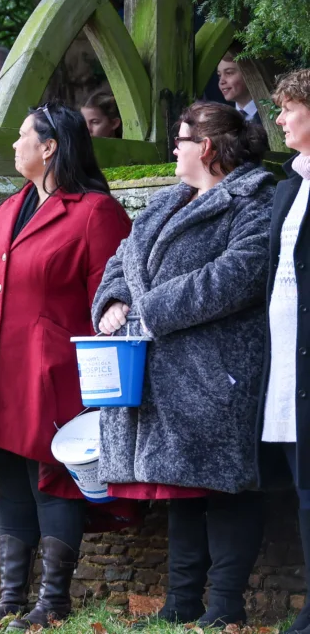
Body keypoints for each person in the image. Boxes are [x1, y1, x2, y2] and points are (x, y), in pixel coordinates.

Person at [0, 102, 133, 629]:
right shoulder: (10, 206)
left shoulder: (94, 212)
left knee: (53, 478)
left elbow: (110, 300)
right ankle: (12, 600)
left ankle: (54, 602)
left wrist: (100, 384)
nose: (14, 146)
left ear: (50, 146)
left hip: (56, 372)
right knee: (12, 478)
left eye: (22, 137)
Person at [94, 102, 273, 626]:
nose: (174, 148)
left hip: (218, 371)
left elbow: (240, 272)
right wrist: (112, 303)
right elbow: (119, 261)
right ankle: (179, 606)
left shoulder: (253, 200)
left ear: (208, 147)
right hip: (159, 371)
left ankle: (224, 609)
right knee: (182, 492)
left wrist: (149, 310)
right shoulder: (163, 204)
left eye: (182, 139)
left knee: (226, 488)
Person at [256, 68, 310, 634]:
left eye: (290, 108)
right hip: (288, 360)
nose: (280, 119)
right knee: (304, 488)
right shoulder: (290, 184)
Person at [218, 55, 262, 125]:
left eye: (229, 73)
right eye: (219, 75)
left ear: (249, 74)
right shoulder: (222, 120)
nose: (221, 81)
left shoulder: (274, 114)